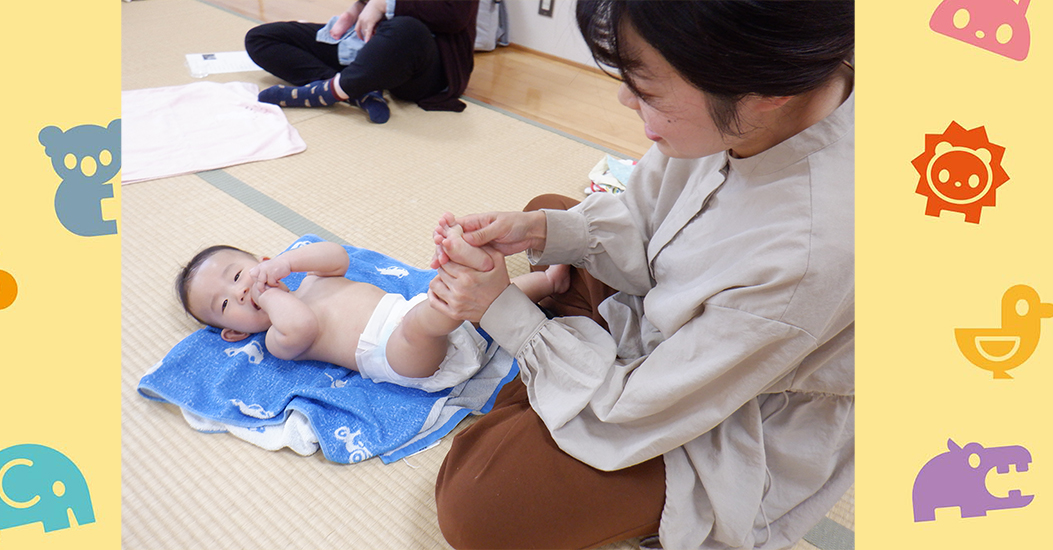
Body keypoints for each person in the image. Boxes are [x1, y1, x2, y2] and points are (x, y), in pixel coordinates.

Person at [427, 1, 855, 548]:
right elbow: (649, 218)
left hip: (720, 410)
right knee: (552, 211)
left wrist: (503, 314)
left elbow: (638, 411)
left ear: (765, 92)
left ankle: (550, 376)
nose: (626, 99)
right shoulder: (759, 106)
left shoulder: (811, 249)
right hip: (672, 333)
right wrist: (539, 229)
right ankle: (558, 372)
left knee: (480, 508)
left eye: (647, 90)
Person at [176, 234, 568, 391]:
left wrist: (288, 263)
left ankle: (548, 284)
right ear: (233, 333)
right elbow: (302, 323)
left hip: (407, 311)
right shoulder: (279, 340)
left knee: (483, 304)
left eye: (239, 275)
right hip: (392, 353)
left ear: (265, 261)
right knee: (423, 324)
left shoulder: (310, 281)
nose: (240, 291)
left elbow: (336, 257)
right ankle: (456, 293)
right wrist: (267, 295)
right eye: (225, 305)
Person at [244, 0, 478, 123]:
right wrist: (357, 9)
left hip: (423, 61)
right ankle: (355, 89)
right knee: (261, 38)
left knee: (406, 30)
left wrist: (383, 4)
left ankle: (327, 92)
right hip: (367, 43)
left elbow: (454, 15)